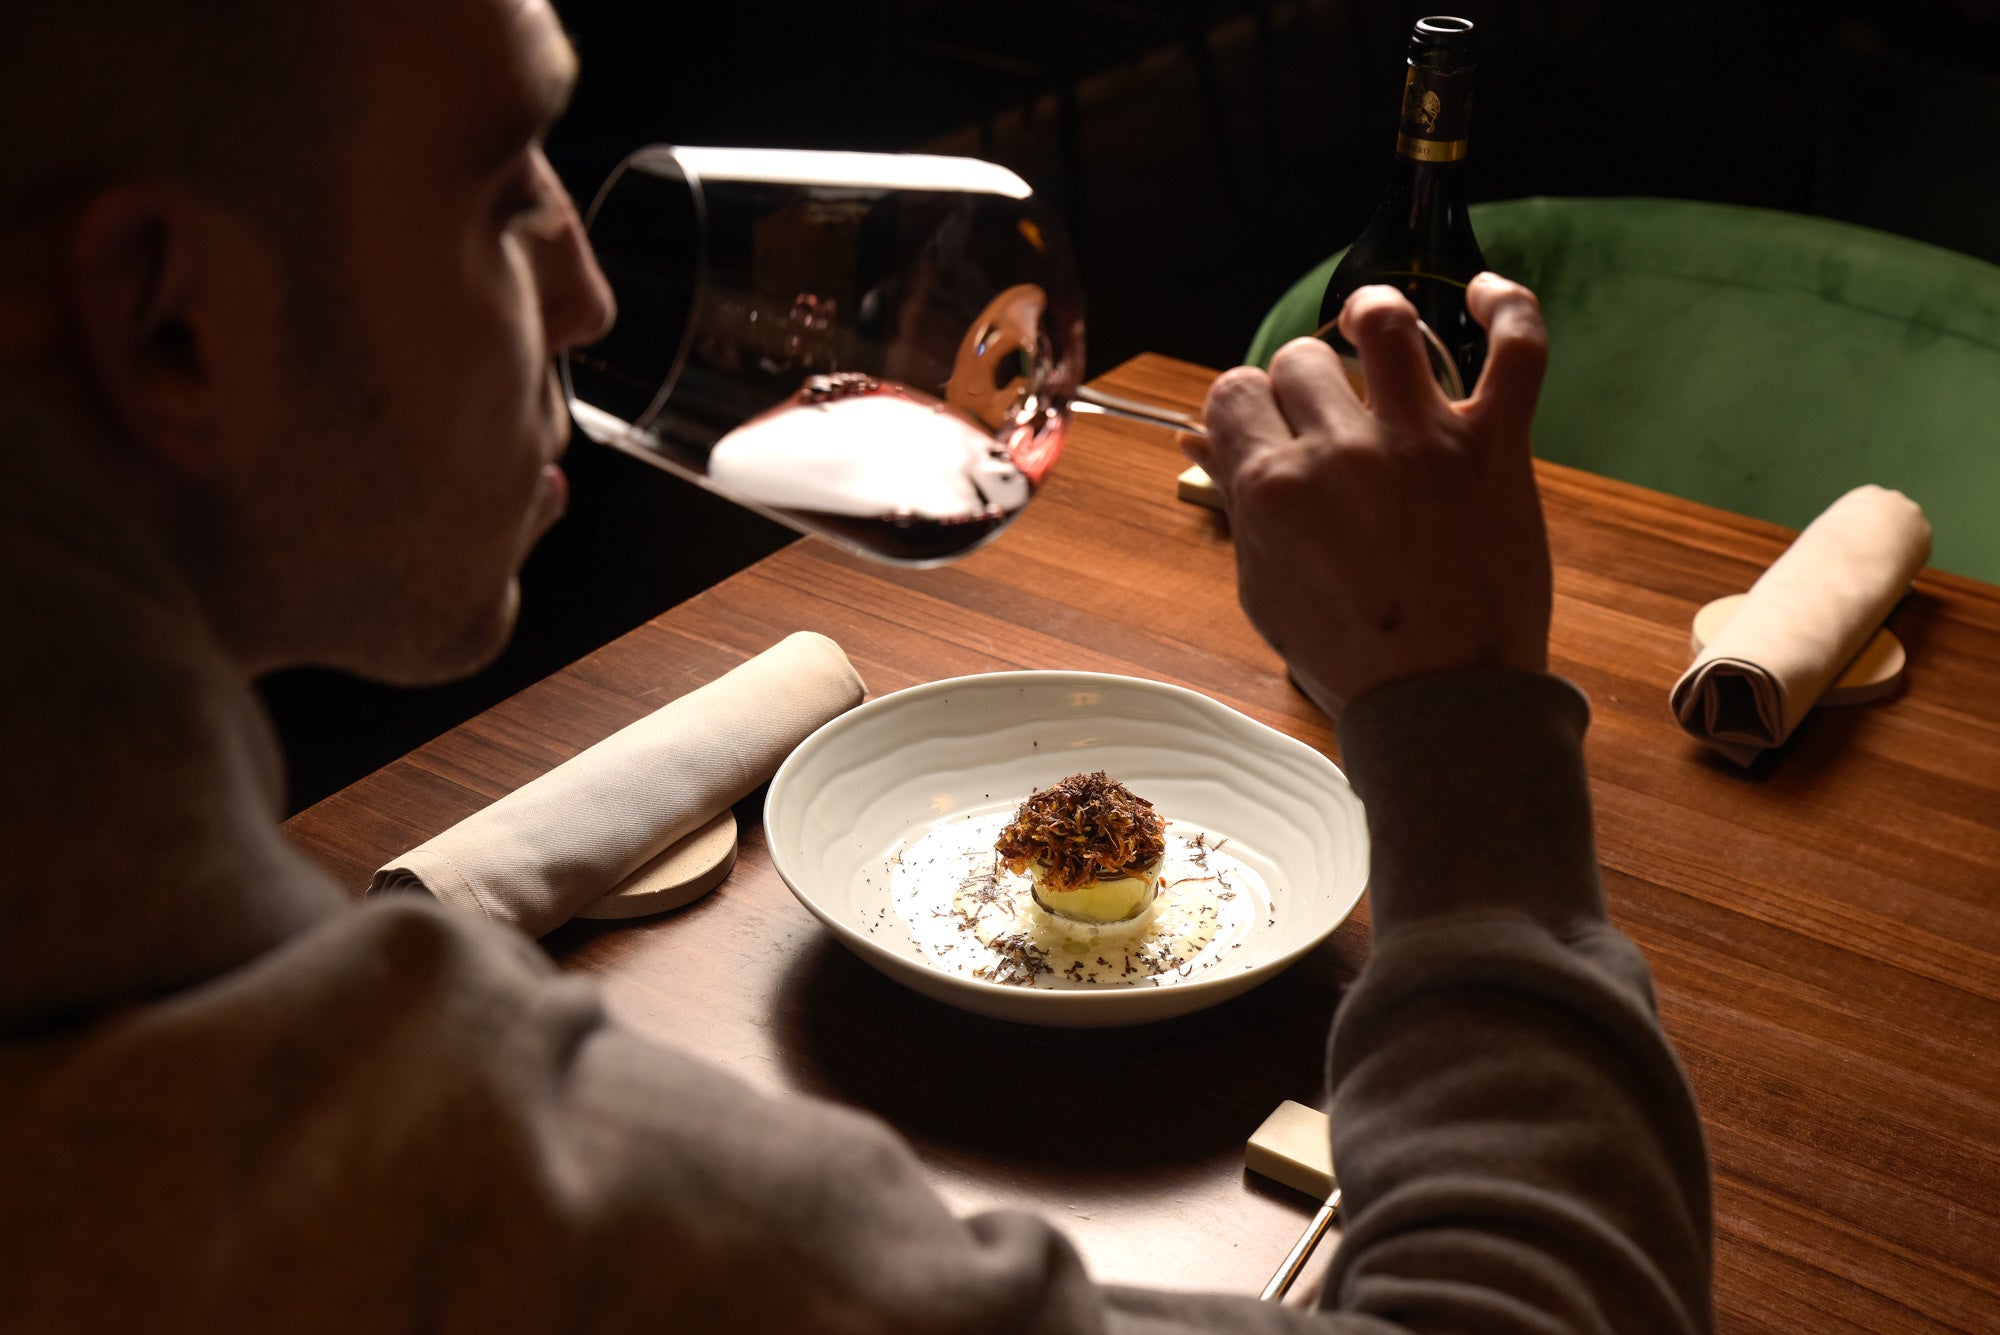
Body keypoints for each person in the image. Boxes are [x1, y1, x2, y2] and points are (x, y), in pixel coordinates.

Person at [0, 0, 1711, 1329]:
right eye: (504, 175)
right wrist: (1461, 699)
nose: (589, 296)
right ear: (168, 324)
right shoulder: (421, 1191)